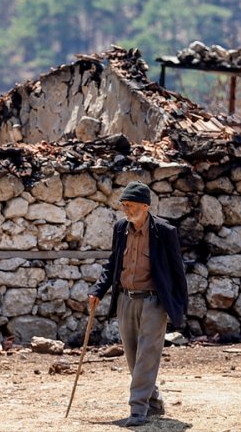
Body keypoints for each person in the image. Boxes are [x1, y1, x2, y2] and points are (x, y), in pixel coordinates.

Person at [88, 181, 188, 427]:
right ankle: (153, 400)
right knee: (133, 356)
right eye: (123, 205)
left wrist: (178, 306)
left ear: (145, 206)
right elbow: (113, 263)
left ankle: (138, 409)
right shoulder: (121, 228)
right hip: (125, 299)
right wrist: (98, 290)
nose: (126, 210)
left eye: (130, 205)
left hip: (154, 301)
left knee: (146, 356)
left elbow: (177, 271)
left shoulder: (164, 231)